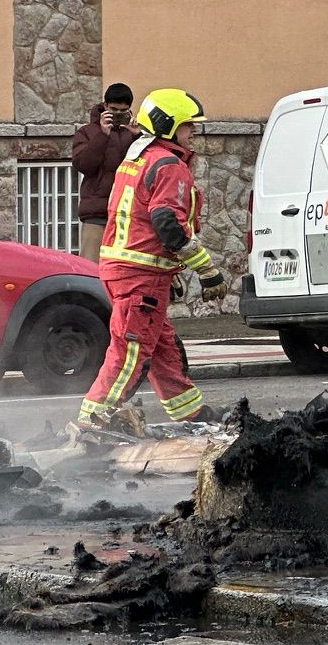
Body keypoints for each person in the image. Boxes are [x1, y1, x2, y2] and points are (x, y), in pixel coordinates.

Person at [76, 88, 225, 428]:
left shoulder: (137, 158)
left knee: (163, 350)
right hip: (140, 275)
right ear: (169, 126)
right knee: (130, 353)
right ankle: (92, 422)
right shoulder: (169, 165)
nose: (193, 134)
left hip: (128, 270)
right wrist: (207, 270)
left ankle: (191, 414)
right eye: (188, 126)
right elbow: (166, 223)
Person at [69, 83, 138, 263]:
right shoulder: (87, 132)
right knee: (91, 270)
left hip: (127, 215)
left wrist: (138, 137)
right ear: (105, 106)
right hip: (96, 214)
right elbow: (84, 165)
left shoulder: (132, 133)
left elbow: (144, 168)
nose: (116, 115)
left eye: (123, 111)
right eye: (113, 109)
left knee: (124, 270)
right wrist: (103, 134)